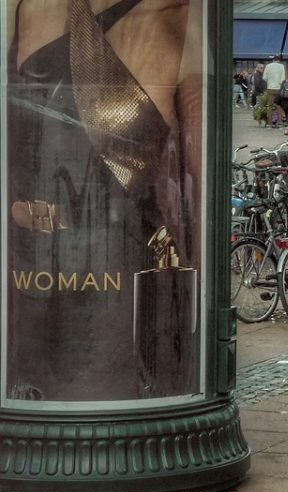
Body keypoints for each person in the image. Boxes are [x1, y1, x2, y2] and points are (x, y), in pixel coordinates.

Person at [7, 0, 205, 399]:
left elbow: (199, 177)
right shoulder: (25, 7)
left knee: (105, 390)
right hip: (29, 272)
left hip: (123, 280)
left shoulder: (180, 16)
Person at [263, 55, 286, 127]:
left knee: (270, 106)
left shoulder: (268, 66)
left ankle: (269, 123)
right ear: (279, 60)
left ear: (273, 60)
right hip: (278, 89)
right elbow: (283, 79)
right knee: (279, 106)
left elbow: (264, 78)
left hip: (270, 88)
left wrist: (269, 82)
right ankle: (279, 123)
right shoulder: (281, 66)